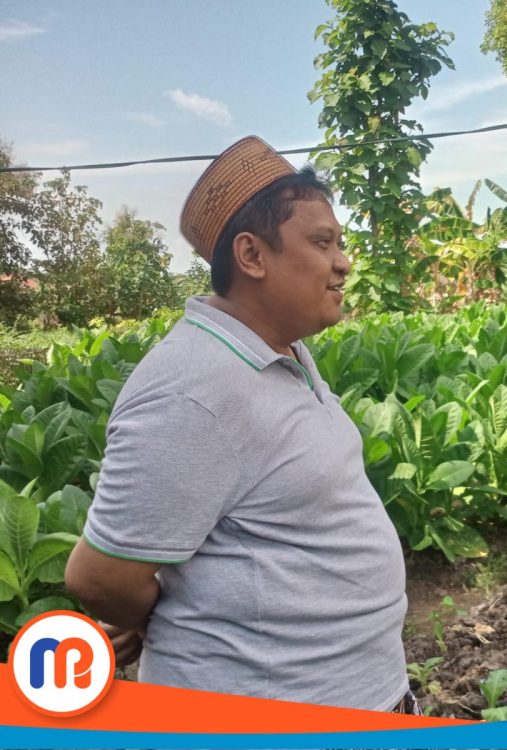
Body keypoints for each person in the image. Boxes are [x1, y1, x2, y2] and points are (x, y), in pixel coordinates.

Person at [64, 136, 415, 713]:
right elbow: (100, 576)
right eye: (323, 242)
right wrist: (164, 618)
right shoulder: (191, 388)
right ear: (252, 256)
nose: (344, 261)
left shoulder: (281, 351)